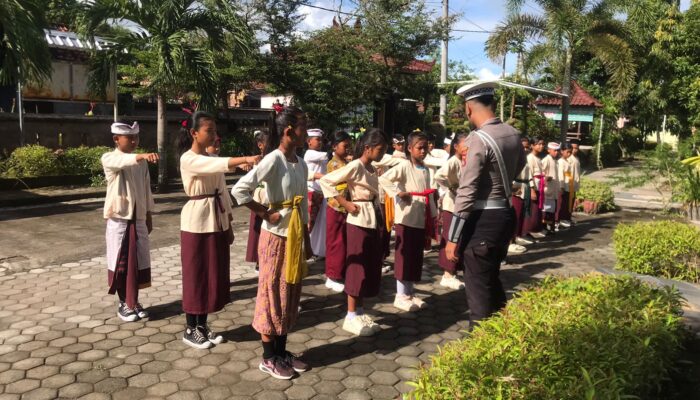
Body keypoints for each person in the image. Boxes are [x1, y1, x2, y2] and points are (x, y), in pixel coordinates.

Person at [231, 106, 312, 380]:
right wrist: (265, 211)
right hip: (275, 238)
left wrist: (307, 241)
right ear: (289, 130)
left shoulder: (300, 163)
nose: (307, 132)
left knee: (289, 294)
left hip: (295, 237)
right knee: (271, 293)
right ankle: (268, 357)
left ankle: (282, 351)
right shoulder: (273, 160)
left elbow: (304, 206)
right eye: (304, 127)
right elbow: (239, 190)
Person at [445, 81, 526, 327]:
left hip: (483, 220)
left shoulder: (477, 139)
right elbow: (521, 166)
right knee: (491, 278)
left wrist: (452, 237)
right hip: (505, 214)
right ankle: (505, 337)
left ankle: (478, 354)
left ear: (469, 108)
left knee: (479, 291)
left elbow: (467, 190)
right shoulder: (512, 133)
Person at [178, 111, 260, 349]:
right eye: (209, 131)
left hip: (215, 220)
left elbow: (222, 191)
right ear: (194, 133)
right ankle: (190, 328)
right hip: (196, 222)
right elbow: (216, 164)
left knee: (211, 273)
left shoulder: (208, 158)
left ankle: (202, 325)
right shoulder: (189, 158)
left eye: (215, 131)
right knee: (196, 275)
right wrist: (244, 158)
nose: (214, 135)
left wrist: (229, 223)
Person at [320, 129, 387, 336]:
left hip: (372, 217)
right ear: (367, 148)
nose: (382, 153)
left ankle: (359, 311)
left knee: (368, 265)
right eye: (379, 149)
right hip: (358, 219)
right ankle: (350, 315)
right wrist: (344, 202)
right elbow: (326, 181)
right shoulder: (355, 165)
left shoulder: (371, 168)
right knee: (356, 266)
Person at [102, 122, 158, 322]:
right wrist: (141, 156)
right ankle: (124, 303)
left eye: (136, 137)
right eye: (130, 138)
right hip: (120, 219)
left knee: (139, 261)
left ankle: (133, 301)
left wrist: (149, 215)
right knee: (121, 262)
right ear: (116, 139)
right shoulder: (109, 158)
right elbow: (122, 162)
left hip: (139, 218)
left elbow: (146, 189)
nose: (134, 141)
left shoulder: (141, 163)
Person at [379, 130, 437, 312]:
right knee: (404, 256)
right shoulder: (404, 166)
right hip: (406, 217)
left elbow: (429, 193)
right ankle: (401, 295)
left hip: (421, 216)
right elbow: (383, 179)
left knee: (415, 256)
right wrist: (398, 194)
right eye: (419, 148)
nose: (423, 151)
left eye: (425, 148)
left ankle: (410, 293)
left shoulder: (426, 169)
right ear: (410, 148)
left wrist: (433, 213)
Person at [434, 132, 469, 290]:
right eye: (465, 145)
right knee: (451, 237)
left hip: (460, 206)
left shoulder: (464, 161)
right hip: (451, 205)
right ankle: (447, 274)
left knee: (459, 238)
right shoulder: (454, 161)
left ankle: (453, 271)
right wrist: (452, 186)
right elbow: (439, 175)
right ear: (455, 146)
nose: (467, 148)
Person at [324, 131, 352, 292]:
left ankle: (339, 272)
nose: (348, 149)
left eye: (349, 146)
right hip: (336, 206)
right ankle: (332, 276)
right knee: (336, 242)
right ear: (335, 147)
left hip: (344, 207)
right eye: (345, 146)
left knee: (343, 241)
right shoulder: (334, 164)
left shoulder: (345, 162)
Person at [245, 131, 269, 275]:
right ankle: (259, 262)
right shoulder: (257, 161)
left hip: (271, 200)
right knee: (258, 232)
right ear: (260, 145)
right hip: (259, 200)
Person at [304, 128, 327, 262]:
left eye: (320, 140)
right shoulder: (309, 154)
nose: (320, 142)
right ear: (309, 142)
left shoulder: (319, 154)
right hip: (311, 191)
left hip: (320, 192)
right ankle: (305, 250)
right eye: (317, 140)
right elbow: (328, 155)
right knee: (310, 223)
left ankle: (315, 249)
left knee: (318, 223)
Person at [523, 137, 547, 240]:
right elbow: (530, 175)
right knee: (532, 210)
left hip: (539, 186)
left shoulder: (538, 158)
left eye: (542, 144)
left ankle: (535, 228)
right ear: (532, 145)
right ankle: (528, 230)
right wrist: (532, 189)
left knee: (537, 209)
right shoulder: (530, 158)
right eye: (538, 144)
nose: (541, 146)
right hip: (533, 186)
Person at [556, 143, 579, 229]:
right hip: (564, 184)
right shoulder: (561, 161)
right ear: (562, 151)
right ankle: (559, 220)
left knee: (568, 203)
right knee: (562, 203)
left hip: (569, 182)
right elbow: (560, 175)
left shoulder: (567, 160)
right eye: (568, 152)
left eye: (570, 152)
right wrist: (561, 186)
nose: (569, 154)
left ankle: (565, 218)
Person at [542, 142, 561, 233]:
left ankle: (550, 227)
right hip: (548, 190)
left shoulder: (556, 161)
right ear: (549, 150)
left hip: (554, 190)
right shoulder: (546, 160)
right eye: (554, 150)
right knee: (547, 210)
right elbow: (541, 173)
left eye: (558, 151)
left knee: (552, 210)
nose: (556, 152)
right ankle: (545, 228)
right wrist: (545, 178)